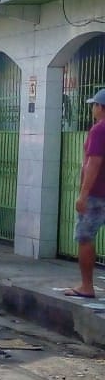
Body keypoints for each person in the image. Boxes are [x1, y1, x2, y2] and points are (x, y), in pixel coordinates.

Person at [67, 87, 105, 299]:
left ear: (100, 107)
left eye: (94, 106)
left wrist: (83, 194)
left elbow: (94, 162)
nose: (93, 109)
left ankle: (86, 286)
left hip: (97, 195)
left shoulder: (99, 130)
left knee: (85, 237)